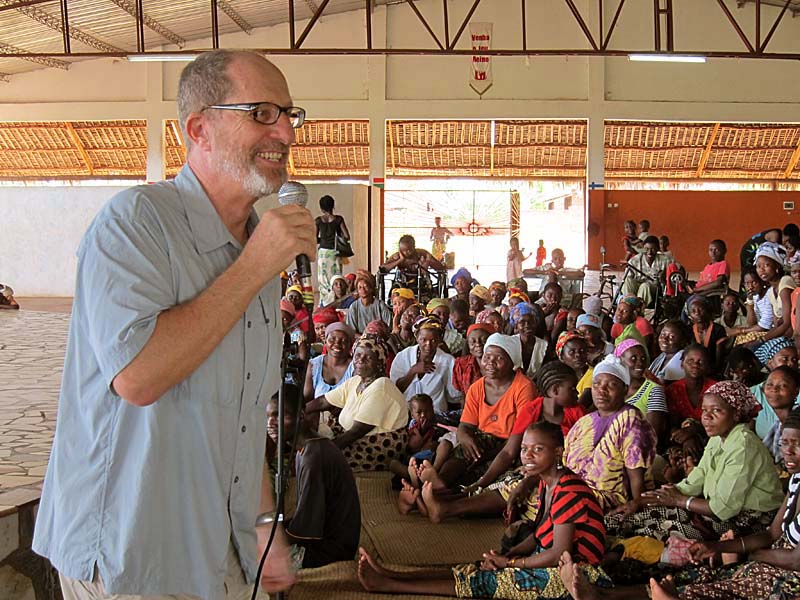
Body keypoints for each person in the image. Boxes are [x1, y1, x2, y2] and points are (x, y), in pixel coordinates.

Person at [34, 50, 312, 599]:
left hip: (221, 552)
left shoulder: (258, 245)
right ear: (199, 129)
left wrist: (262, 526)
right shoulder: (136, 223)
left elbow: (244, 416)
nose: (284, 130)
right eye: (261, 112)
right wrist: (255, 265)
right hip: (134, 556)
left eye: (288, 113)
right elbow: (139, 377)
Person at [357, 422, 613, 598]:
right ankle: (392, 574)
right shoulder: (548, 483)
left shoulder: (568, 489)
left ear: (558, 452)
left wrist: (511, 563)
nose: (528, 456)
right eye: (524, 449)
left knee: (484, 582)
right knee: (477, 567)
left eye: (538, 449)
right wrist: (507, 556)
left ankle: (390, 584)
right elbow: (538, 535)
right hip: (549, 557)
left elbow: (560, 553)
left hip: (577, 574)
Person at [606, 380, 783, 543]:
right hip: (714, 511)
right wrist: (642, 501)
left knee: (650, 530)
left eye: (716, 410)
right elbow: (696, 479)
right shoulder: (718, 438)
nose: (707, 417)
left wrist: (680, 501)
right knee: (627, 518)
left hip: (748, 521)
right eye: (704, 410)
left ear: (736, 414)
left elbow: (721, 508)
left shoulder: (744, 447)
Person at [425, 333, 533, 490]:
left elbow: (512, 447)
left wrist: (482, 473)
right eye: (487, 357)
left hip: (510, 444)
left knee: (483, 473)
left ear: (512, 362)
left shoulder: (523, 388)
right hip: (482, 440)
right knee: (460, 456)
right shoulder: (477, 387)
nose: (490, 363)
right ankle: (439, 482)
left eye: (499, 358)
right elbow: (465, 426)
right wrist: (465, 439)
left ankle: (441, 491)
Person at [563, 354, 657, 512]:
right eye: (596, 384)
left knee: (564, 503)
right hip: (572, 489)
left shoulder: (630, 419)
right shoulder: (584, 421)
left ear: (625, 389)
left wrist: (638, 506)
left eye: (611, 385)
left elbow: (636, 475)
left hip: (608, 498)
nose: (601, 390)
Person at [308, 337, 408, 472]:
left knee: (320, 463)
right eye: (358, 355)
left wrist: (326, 453)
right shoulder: (356, 381)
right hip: (354, 437)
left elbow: (356, 433)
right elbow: (323, 401)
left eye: (368, 357)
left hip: (374, 446)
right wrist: (300, 412)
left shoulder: (381, 388)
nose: (360, 360)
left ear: (379, 363)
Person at [284, 395, 361, 569]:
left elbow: (305, 529)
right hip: (326, 538)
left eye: (281, 415)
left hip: (329, 552)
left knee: (252, 559)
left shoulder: (314, 457)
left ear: (301, 415)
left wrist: (270, 537)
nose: (272, 423)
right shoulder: (307, 449)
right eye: (269, 416)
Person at [390, 316, 463, 414]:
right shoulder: (403, 357)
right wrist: (413, 371)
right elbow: (395, 390)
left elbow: (454, 396)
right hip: (405, 414)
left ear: (439, 340)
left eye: (433, 340)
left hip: (435, 416)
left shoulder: (447, 361)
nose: (428, 344)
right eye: (423, 340)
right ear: (416, 337)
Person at [616, 338, 668, 446]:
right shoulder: (613, 388)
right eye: (633, 358)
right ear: (620, 360)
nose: (640, 363)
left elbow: (652, 435)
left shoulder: (653, 390)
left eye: (643, 359)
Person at [753, 241, 796, 365]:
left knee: (758, 351)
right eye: (758, 266)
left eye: (766, 265)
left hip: (791, 336)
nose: (761, 270)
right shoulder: (771, 292)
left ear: (777, 266)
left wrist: (762, 340)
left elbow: (787, 323)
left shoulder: (785, 282)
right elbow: (777, 323)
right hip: (783, 334)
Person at [302, 321, 355, 407]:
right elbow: (307, 398)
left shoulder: (354, 367)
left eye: (343, 341)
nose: (337, 344)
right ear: (325, 342)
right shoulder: (314, 365)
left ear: (350, 345)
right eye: (332, 339)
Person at [381, 234, 446, 301]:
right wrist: (399, 260)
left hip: (422, 288)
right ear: (400, 249)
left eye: (409, 250)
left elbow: (440, 268)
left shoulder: (422, 254)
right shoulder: (397, 256)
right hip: (401, 287)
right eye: (403, 250)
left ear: (414, 247)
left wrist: (428, 262)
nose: (406, 252)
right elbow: (382, 269)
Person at [315, 194, 350, 301]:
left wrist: (323, 239)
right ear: (333, 206)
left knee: (323, 278)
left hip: (323, 253)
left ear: (321, 208)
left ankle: (325, 301)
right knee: (336, 277)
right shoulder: (338, 219)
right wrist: (336, 238)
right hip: (335, 252)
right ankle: (337, 299)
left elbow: (314, 238)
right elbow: (347, 236)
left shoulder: (318, 221)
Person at [621, 235, 671, 307]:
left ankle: (638, 309)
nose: (649, 252)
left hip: (654, 289)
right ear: (643, 248)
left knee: (645, 286)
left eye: (653, 249)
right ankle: (628, 305)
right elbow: (628, 276)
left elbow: (678, 269)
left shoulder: (665, 260)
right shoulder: (635, 260)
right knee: (628, 281)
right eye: (646, 249)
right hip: (637, 286)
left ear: (657, 249)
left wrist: (663, 276)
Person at [452, 323, 494, 396]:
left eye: (483, 340)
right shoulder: (461, 365)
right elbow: (463, 395)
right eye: (473, 342)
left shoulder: (501, 363)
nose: (478, 344)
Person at [345, 270, 392, 334]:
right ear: (357, 291)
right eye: (360, 287)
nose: (363, 290)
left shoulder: (380, 305)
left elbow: (388, 326)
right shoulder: (354, 307)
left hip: (379, 338)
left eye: (365, 286)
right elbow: (352, 332)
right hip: (360, 340)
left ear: (371, 288)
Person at [738, 227, 782, 294]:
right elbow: (774, 247)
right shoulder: (775, 235)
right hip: (752, 255)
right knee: (750, 278)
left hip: (758, 255)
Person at [649, 320, 689, 384]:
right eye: (663, 334)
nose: (664, 338)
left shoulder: (681, 361)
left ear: (682, 341)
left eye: (671, 337)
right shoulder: (663, 356)